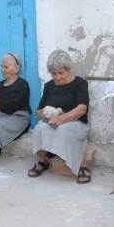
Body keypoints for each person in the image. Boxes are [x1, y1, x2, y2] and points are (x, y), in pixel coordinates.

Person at [28, 50, 91, 184]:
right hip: (53, 122)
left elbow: (82, 109)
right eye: (54, 73)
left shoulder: (80, 83)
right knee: (39, 128)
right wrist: (44, 113)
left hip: (75, 123)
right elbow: (38, 112)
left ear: (68, 69)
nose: (57, 77)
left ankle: (81, 166)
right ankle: (41, 162)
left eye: (60, 73)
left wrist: (61, 119)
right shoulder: (49, 86)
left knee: (64, 130)